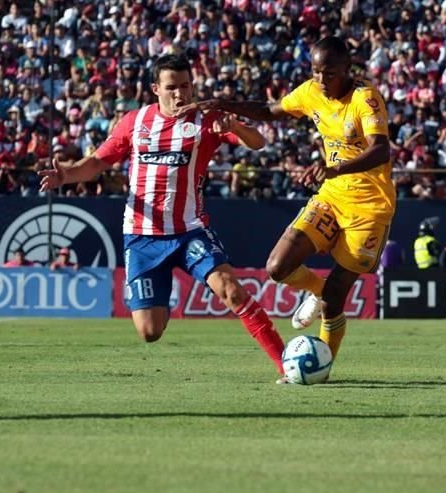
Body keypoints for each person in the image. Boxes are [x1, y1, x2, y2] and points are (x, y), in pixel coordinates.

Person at [38, 54, 286, 377]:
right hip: (142, 236)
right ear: (156, 89)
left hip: (190, 231)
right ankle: (161, 291)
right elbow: (98, 162)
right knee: (149, 331)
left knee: (231, 289)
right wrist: (65, 176)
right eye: (172, 87)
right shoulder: (134, 122)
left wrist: (235, 125)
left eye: (186, 86)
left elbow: (259, 142)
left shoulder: (207, 118)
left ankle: (287, 363)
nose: (180, 94)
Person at [178, 37, 395, 370]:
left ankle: (319, 365)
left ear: (347, 69)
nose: (322, 80)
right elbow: (269, 111)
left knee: (336, 298)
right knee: (277, 267)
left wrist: (333, 167)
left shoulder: (365, 99)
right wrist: (223, 103)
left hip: (370, 207)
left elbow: (381, 149)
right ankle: (317, 290)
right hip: (332, 195)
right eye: (316, 71)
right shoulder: (311, 91)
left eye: (330, 73)